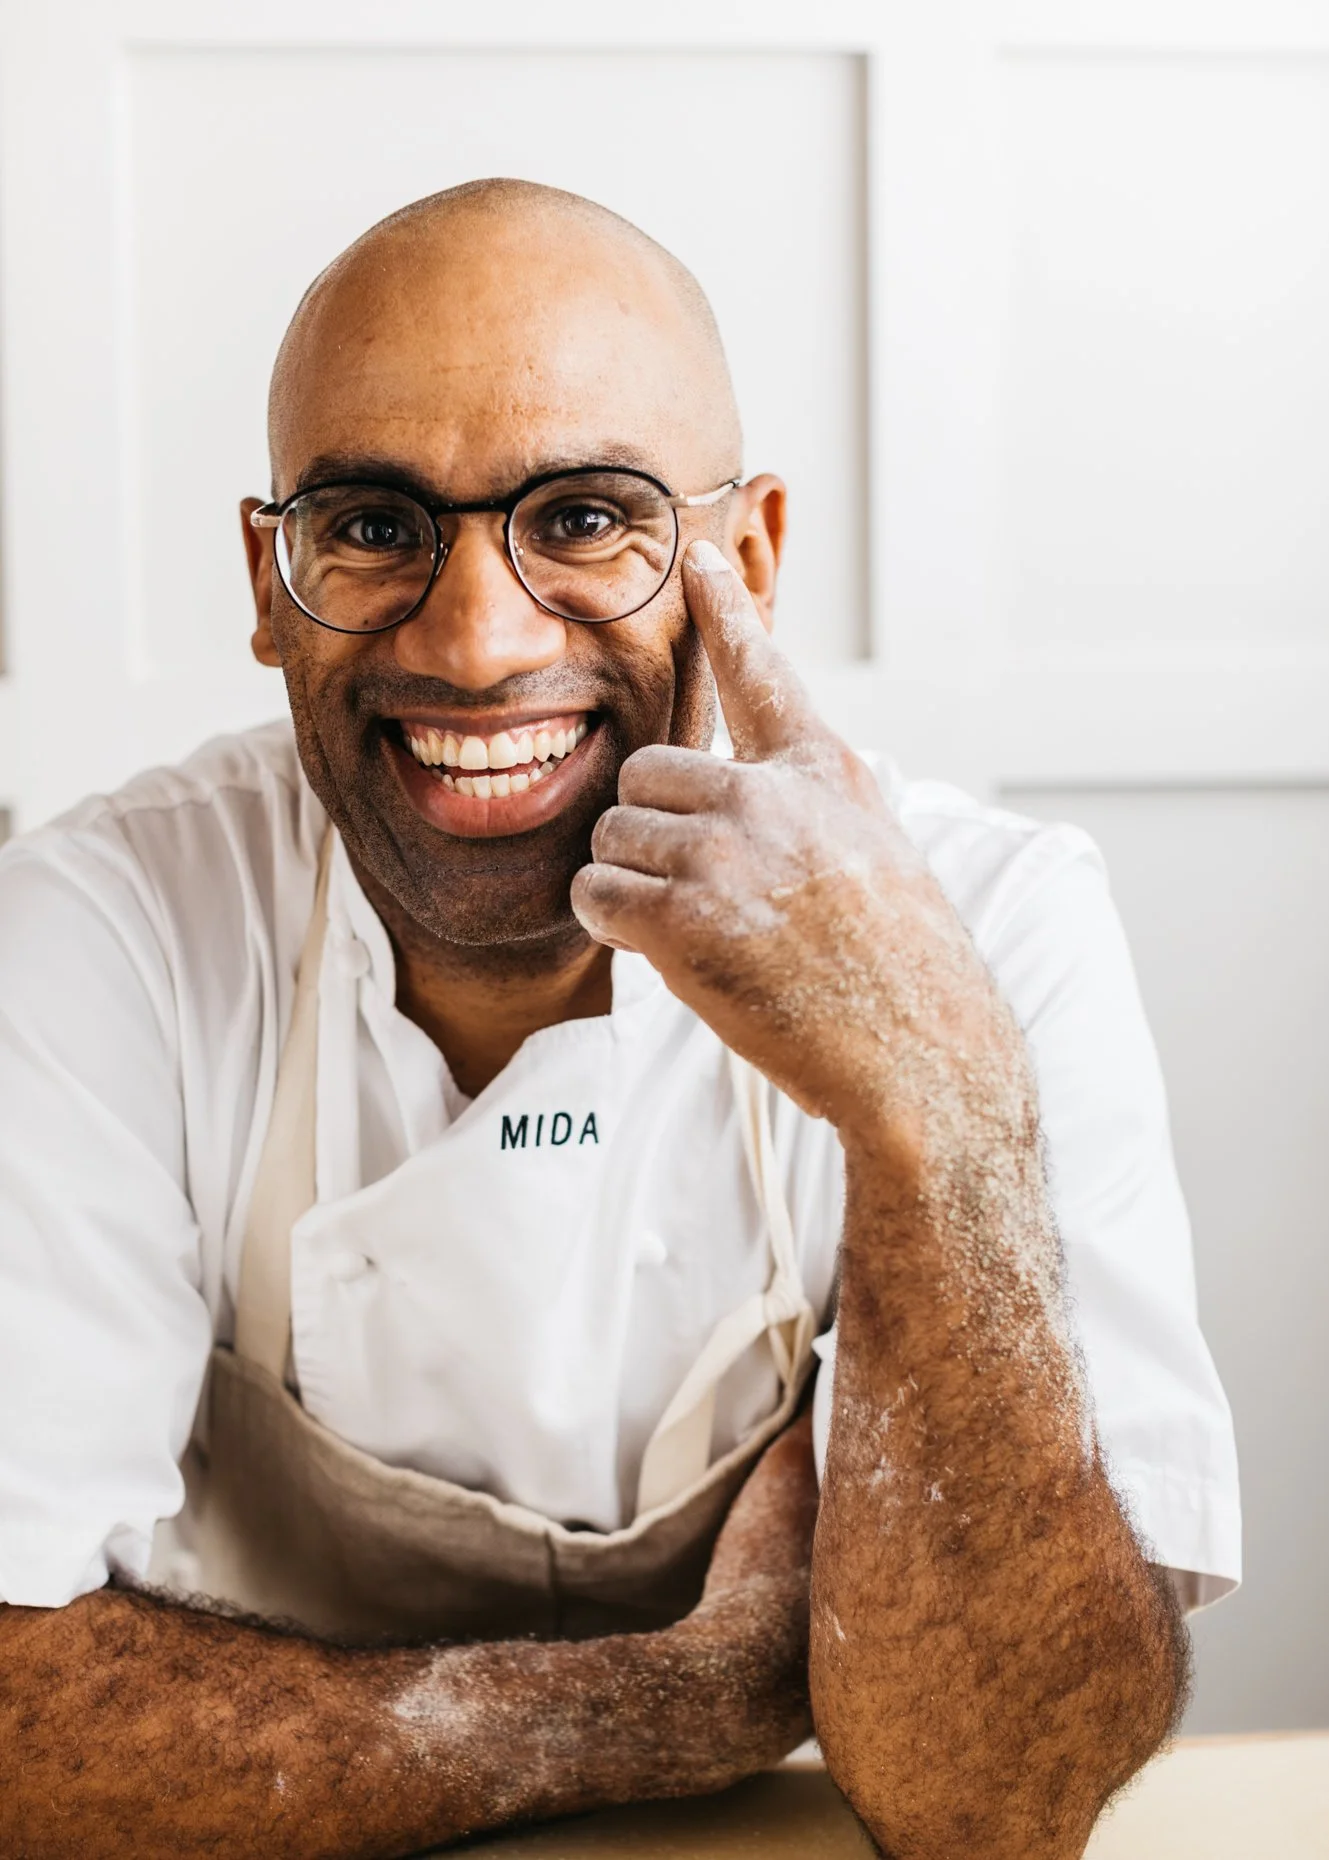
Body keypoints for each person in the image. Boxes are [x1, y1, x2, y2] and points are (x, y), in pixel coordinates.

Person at [0, 179, 1239, 1859]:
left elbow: (998, 1796)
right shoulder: (104, 931)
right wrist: (672, 1702)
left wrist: (934, 1112)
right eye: (371, 524)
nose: (478, 639)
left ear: (751, 557)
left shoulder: (991, 923)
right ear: (269, 578)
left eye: (585, 518)